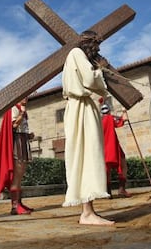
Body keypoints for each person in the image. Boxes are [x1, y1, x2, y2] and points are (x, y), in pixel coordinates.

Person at [61, 30, 115, 226]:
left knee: (89, 154)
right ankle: (87, 213)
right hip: (80, 107)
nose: (97, 52)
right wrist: (100, 69)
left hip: (83, 106)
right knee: (85, 154)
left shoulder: (78, 55)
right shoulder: (76, 54)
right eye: (96, 48)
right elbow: (90, 79)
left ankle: (88, 211)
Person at [0, 97, 35, 215]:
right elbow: (13, 126)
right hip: (17, 144)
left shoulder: (20, 109)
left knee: (20, 176)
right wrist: (22, 112)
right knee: (17, 177)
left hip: (22, 142)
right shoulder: (14, 108)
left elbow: (19, 128)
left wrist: (29, 136)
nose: (26, 98)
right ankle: (15, 206)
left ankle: (19, 203)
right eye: (24, 96)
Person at [100, 101, 132, 198]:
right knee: (123, 166)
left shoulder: (98, 121)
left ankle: (108, 192)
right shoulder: (111, 118)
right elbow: (125, 119)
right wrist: (124, 111)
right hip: (114, 147)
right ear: (109, 111)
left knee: (106, 170)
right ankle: (121, 189)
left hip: (102, 149)